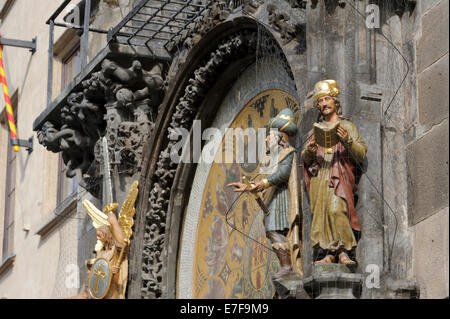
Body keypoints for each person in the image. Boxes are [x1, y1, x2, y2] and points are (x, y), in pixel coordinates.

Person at [228, 108, 302, 279]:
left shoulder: (288, 153)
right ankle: (286, 266)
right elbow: (269, 178)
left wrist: (261, 184)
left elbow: (282, 175)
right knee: (272, 229)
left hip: (282, 198)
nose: (267, 139)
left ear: (280, 137)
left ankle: (287, 266)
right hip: (275, 197)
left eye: (270, 135)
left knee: (274, 229)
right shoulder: (275, 158)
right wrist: (249, 186)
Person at [302, 80, 367, 265]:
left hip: (339, 174)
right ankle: (329, 253)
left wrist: (348, 141)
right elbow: (306, 161)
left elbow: (361, 154)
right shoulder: (314, 132)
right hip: (320, 176)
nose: (324, 104)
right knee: (321, 213)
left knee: (336, 209)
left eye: (327, 99)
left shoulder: (347, 127)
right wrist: (310, 151)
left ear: (335, 102)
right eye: (320, 101)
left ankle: (343, 250)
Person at [67, 203, 128, 299]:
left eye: (100, 235)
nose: (98, 238)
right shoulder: (100, 253)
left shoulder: (114, 251)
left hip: (111, 291)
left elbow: (122, 243)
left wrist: (114, 222)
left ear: (107, 235)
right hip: (97, 291)